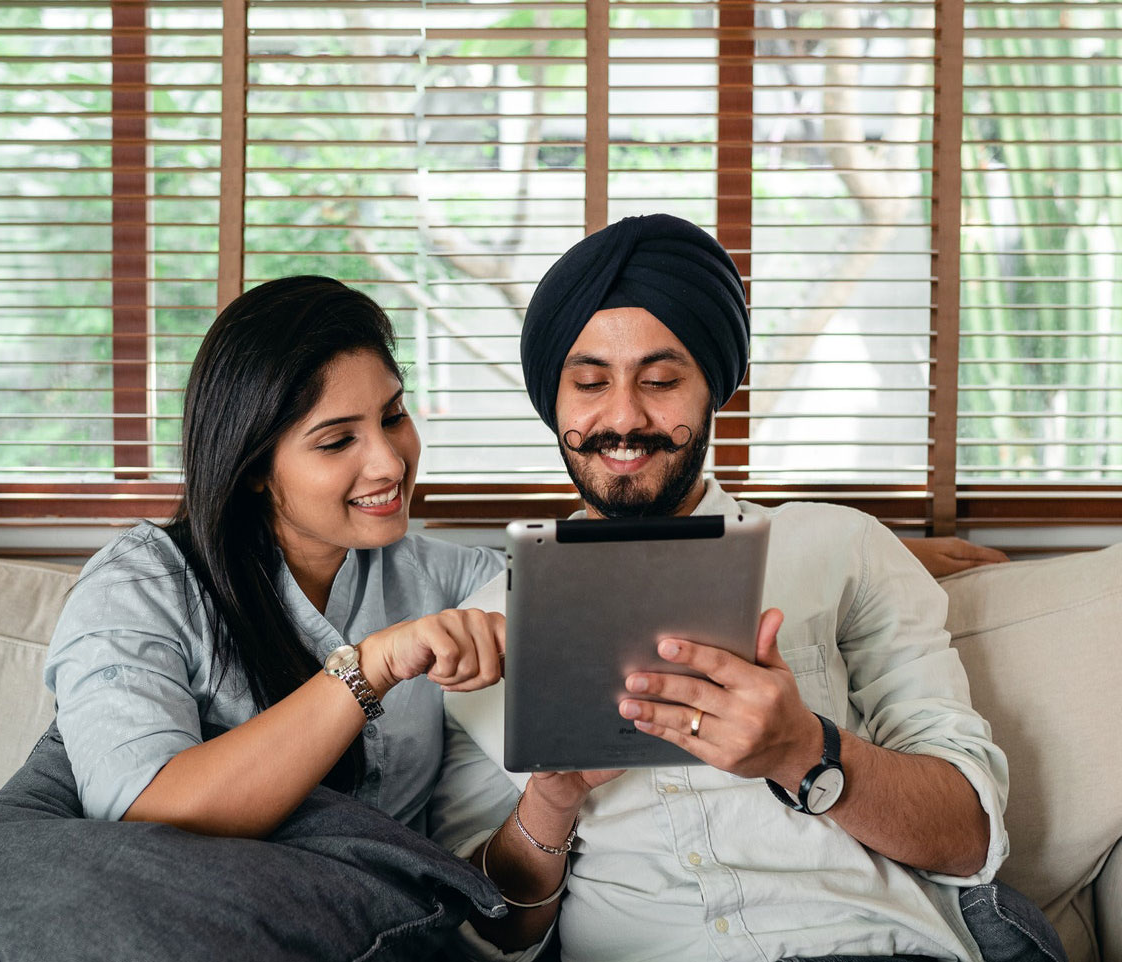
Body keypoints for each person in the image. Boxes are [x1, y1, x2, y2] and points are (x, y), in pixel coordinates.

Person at [428, 215, 1064, 962]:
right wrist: (550, 803)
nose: (625, 417)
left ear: (713, 390)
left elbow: (968, 840)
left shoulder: (841, 549)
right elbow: (490, 933)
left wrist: (803, 750)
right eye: (590, 383)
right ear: (554, 400)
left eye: (661, 381)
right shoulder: (486, 636)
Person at [45, 275, 507, 837]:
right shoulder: (139, 586)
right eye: (337, 441)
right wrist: (370, 669)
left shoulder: (458, 581)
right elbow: (144, 807)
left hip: (395, 912)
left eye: (392, 417)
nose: (390, 463)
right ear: (255, 467)